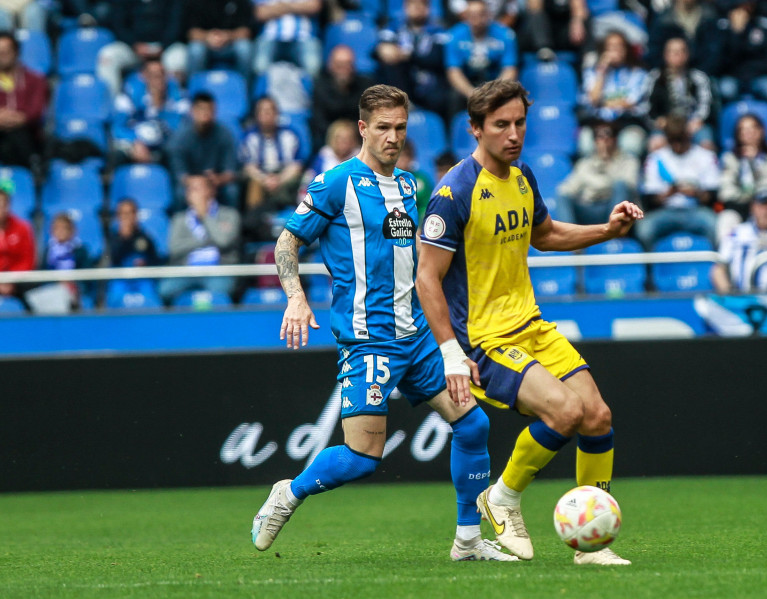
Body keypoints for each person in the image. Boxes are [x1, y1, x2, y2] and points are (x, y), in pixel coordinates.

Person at [251, 84, 515, 562]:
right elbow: (287, 243)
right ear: (362, 129)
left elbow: (417, 257)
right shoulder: (336, 182)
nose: (393, 137)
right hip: (368, 341)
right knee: (361, 459)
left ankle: (468, 542)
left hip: (416, 337)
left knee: (473, 425)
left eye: (400, 128)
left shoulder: (411, 185)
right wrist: (295, 297)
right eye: (383, 128)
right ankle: (289, 492)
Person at [415, 79, 642, 566]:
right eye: (501, 125)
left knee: (597, 416)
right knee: (564, 411)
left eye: (519, 123)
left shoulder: (523, 177)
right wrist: (451, 353)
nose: (513, 134)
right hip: (486, 338)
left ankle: (591, 546)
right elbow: (426, 278)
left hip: (531, 326)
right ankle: (500, 499)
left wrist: (607, 229)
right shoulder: (453, 193)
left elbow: (546, 234)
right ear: (475, 129)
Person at [637, 114, 720, 248]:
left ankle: (716, 267)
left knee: (715, 226)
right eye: (673, 140)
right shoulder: (656, 159)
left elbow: (713, 196)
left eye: (680, 140)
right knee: (644, 229)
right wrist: (670, 192)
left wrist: (696, 193)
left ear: (688, 136)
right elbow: (649, 199)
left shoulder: (706, 156)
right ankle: (650, 269)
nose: (677, 145)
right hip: (665, 211)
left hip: (696, 210)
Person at [160, 174, 241, 303]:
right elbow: (173, 248)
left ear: (211, 191)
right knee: (165, 290)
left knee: (221, 291)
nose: (192, 193)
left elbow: (223, 242)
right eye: (190, 189)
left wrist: (204, 215)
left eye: (197, 188)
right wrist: (205, 241)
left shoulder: (229, 215)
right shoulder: (179, 219)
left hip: (218, 270)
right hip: (186, 270)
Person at [240, 97, 305, 241]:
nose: (267, 115)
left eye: (270, 111)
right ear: (257, 115)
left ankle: (290, 223)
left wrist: (279, 179)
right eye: (263, 111)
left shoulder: (290, 134)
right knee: (253, 184)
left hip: (284, 176)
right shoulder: (250, 136)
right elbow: (248, 167)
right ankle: (254, 226)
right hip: (261, 177)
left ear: (277, 114)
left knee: (299, 179)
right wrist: (264, 179)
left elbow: (296, 165)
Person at [375, 0, 451, 122]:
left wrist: (408, 56)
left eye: (422, 5)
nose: (417, 8)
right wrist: (382, 49)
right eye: (413, 4)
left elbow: (437, 58)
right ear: (406, 7)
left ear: (428, 8)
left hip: (430, 84)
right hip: (404, 79)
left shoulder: (438, 30)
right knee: (392, 65)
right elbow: (379, 51)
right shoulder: (394, 27)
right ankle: (402, 101)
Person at [556, 120, 640, 225]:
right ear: (594, 141)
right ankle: (568, 238)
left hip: (612, 208)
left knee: (621, 186)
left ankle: (614, 235)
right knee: (563, 196)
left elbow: (629, 186)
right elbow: (567, 188)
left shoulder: (628, 161)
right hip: (589, 208)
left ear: (616, 138)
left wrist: (606, 163)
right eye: (599, 136)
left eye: (608, 134)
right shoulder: (584, 163)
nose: (604, 140)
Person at [578, 30, 647, 157]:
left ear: (626, 49)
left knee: (631, 144)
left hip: (626, 123)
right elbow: (593, 99)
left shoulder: (638, 73)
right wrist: (602, 71)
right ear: (604, 50)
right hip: (598, 123)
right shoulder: (593, 72)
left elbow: (629, 102)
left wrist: (602, 103)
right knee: (585, 143)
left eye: (619, 46)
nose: (616, 50)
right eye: (611, 47)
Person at [639, 36, 715, 152]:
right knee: (656, 144)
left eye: (681, 51)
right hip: (665, 125)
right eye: (673, 51)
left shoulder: (698, 77)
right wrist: (657, 121)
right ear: (665, 55)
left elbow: (705, 103)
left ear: (687, 54)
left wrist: (697, 120)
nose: (677, 54)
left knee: (706, 144)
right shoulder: (654, 77)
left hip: (691, 123)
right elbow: (646, 105)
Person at [97, 0, 188, 95]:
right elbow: (119, 24)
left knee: (179, 56)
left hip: (165, 48)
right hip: (134, 49)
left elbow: (176, 24)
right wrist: (134, 44)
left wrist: (163, 46)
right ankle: (113, 103)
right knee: (108, 56)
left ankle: (174, 102)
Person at [111, 58, 189, 166]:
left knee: (174, 152)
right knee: (118, 154)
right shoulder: (130, 94)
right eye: (153, 75)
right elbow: (117, 127)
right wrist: (136, 142)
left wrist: (159, 108)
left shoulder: (178, 95)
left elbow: (182, 127)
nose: (158, 79)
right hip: (136, 143)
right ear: (144, 76)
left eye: (161, 74)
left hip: (165, 144)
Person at [167, 92, 239, 208]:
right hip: (192, 183)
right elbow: (179, 174)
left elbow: (230, 172)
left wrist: (218, 179)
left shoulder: (225, 134)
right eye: (201, 109)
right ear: (192, 111)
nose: (205, 113)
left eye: (209, 109)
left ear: (215, 112)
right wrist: (198, 182)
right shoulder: (180, 138)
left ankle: (229, 224)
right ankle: (181, 225)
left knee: (231, 191)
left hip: (216, 183)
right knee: (180, 192)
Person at [718, 113, 767, 240]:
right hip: (738, 208)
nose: (749, 133)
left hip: (765, 206)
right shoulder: (730, 159)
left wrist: (754, 166)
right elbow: (725, 192)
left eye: (753, 128)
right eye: (743, 129)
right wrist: (748, 198)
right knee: (726, 219)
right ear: (738, 134)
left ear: (762, 131)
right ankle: (727, 258)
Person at [445, 0, 518, 109]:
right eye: (472, 16)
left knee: (511, 95)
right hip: (468, 83)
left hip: (496, 82)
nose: (477, 20)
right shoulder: (454, 35)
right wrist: (471, 93)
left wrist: (494, 92)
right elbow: (454, 72)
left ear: (488, 15)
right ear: (466, 16)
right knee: (453, 97)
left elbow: (510, 69)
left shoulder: (505, 34)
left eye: (481, 15)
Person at [311, 45, 374, 151]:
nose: (344, 70)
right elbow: (319, 120)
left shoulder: (366, 86)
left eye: (348, 65)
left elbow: (370, 118)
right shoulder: (320, 87)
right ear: (331, 66)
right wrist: (339, 137)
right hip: (328, 142)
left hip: (359, 141)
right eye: (340, 65)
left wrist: (351, 136)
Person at [716, 0, 767, 105]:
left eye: (749, 3)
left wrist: (751, 70)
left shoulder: (765, 25)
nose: (746, 7)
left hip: (759, 75)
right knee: (726, 90)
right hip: (732, 76)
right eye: (742, 3)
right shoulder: (723, 26)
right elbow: (721, 61)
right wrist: (736, 33)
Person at [0, 32, 47, 168]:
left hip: (26, 135)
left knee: (16, 136)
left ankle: (28, 177)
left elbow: (35, 112)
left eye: (6, 52)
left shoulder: (35, 80)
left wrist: (10, 118)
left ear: (16, 52)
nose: (1, 56)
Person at [183, 0, 254, 80]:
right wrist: (207, 37)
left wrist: (228, 36)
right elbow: (191, 33)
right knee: (196, 49)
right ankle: (195, 90)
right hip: (206, 44)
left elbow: (247, 32)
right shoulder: (196, 2)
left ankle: (244, 90)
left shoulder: (240, 2)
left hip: (231, 44)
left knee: (244, 48)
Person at [253, 0, 323, 77]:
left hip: (303, 37)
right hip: (270, 37)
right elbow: (260, 13)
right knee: (260, 67)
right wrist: (298, 7)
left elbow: (314, 7)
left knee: (312, 67)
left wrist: (283, 7)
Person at [0, 184, 35, 298]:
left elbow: (27, 260)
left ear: (8, 205)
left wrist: (11, 280)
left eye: (3, 204)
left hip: (18, 281)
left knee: (35, 286)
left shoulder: (23, 228)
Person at [109, 198, 159, 267]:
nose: (127, 217)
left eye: (131, 213)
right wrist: (124, 238)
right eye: (124, 213)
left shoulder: (145, 238)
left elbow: (155, 261)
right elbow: (110, 261)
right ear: (118, 216)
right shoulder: (111, 239)